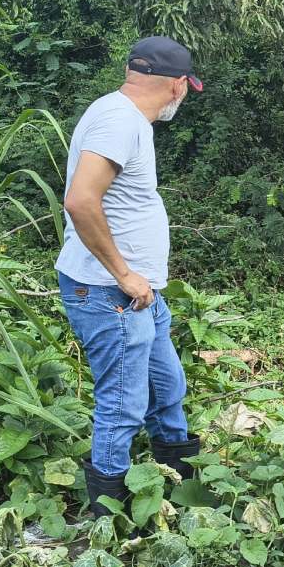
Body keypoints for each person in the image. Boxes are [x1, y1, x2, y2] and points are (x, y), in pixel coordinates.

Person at [55, 36, 204, 517]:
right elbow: (80, 200)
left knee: (166, 384)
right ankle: (110, 514)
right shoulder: (120, 121)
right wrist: (123, 273)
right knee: (122, 403)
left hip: (138, 293)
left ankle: (181, 483)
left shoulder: (118, 114)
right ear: (178, 86)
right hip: (111, 292)